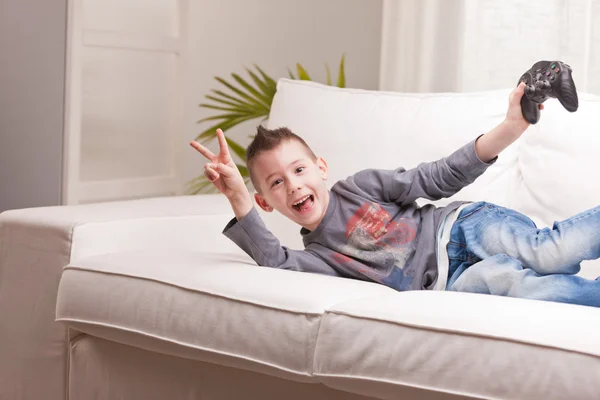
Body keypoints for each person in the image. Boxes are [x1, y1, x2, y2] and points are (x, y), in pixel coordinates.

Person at [190, 82, 600, 308]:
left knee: (548, 254)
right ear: (266, 202)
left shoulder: (361, 187)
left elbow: (437, 177)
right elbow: (275, 263)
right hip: (449, 284)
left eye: (299, 170)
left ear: (321, 168)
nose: (293, 185)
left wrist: (510, 128)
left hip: (460, 229)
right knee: (526, 289)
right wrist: (238, 196)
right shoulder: (316, 258)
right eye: (276, 183)